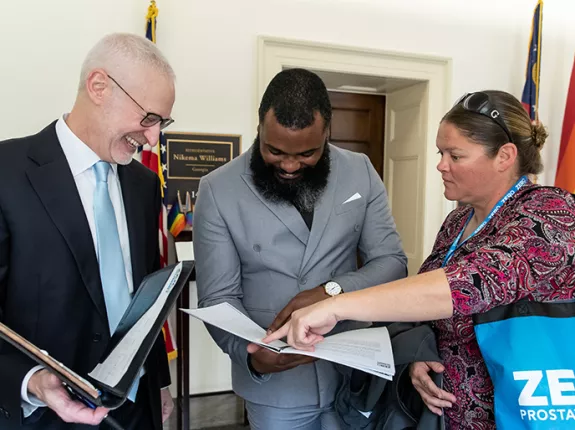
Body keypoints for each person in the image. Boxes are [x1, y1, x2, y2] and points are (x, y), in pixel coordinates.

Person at [264, 90, 575, 429]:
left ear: (504, 156)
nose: (441, 165)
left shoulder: (551, 212)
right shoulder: (458, 222)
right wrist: (418, 357)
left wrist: (336, 305)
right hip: (446, 417)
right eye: (441, 153)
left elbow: (467, 286)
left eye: (455, 155)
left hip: (525, 414)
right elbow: (425, 310)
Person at [193, 68, 407, 429]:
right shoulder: (217, 189)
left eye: (307, 153)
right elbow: (218, 297)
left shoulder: (360, 171)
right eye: (274, 151)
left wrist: (331, 293)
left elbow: (391, 262)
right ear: (260, 126)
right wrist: (252, 359)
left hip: (355, 376)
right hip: (274, 389)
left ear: (327, 133)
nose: (290, 165)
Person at [0, 33, 176, 430]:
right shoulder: (6, 173)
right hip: (43, 418)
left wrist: (160, 383)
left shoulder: (143, 184)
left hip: (137, 410)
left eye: (162, 123)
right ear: (99, 87)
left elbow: (144, 303)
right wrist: (31, 382)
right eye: (148, 118)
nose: (153, 138)